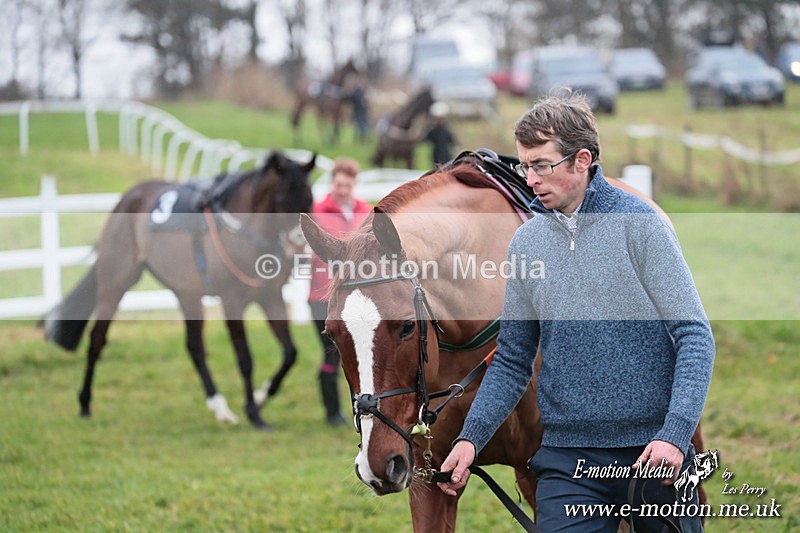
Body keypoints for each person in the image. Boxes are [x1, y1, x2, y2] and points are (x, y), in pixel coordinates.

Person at [437, 93, 715, 532]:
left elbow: (695, 336)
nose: (529, 178)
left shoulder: (640, 226)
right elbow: (512, 359)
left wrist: (675, 434)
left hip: (653, 453)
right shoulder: (527, 243)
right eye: (526, 166)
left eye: (542, 165)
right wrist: (471, 438)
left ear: (581, 159)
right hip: (567, 461)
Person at [309, 158, 371, 426]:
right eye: (338, 184)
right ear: (331, 183)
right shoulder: (317, 211)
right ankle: (332, 411)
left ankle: (359, 409)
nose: (342, 189)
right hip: (323, 295)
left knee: (360, 356)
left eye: (347, 185)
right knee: (332, 353)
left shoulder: (365, 211)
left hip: (358, 295)